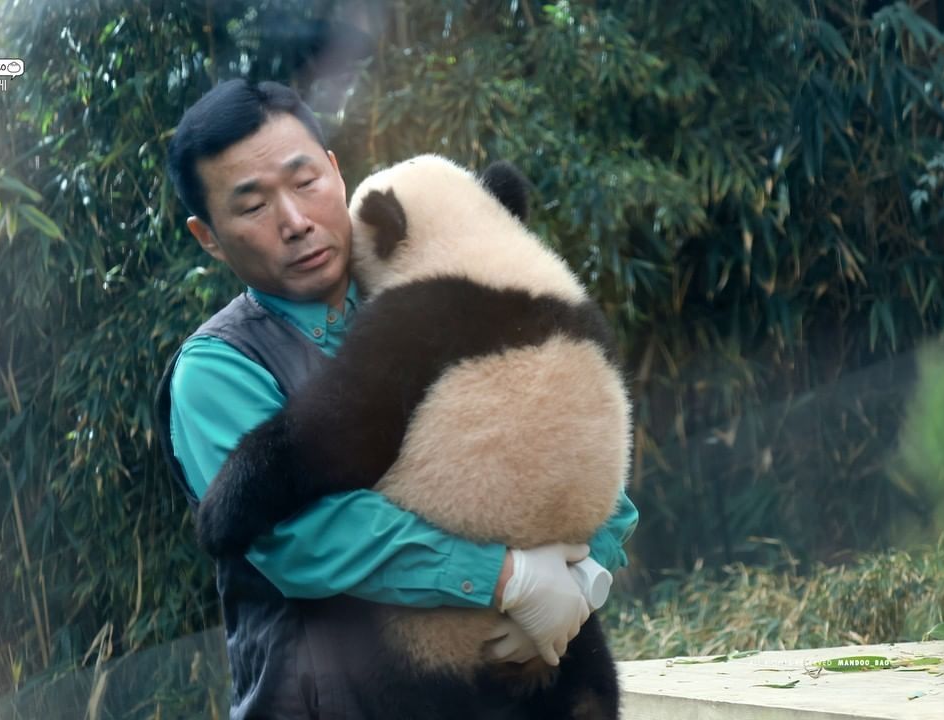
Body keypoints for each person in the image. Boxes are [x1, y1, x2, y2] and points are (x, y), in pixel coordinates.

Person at [155, 79, 638, 718]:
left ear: (334, 171)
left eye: (304, 183)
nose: (295, 223)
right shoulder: (216, 369)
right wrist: (508, 579)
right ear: (209, 236)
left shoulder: (428, 278)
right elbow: (307, 540)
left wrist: (580, 579)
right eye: (251, 206)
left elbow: (582, 449)